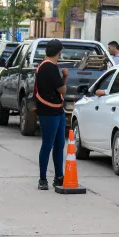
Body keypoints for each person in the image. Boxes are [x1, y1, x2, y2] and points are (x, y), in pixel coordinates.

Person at [34, 39, 68, 191]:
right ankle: (43, 178)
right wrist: (65, 78)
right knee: (48, 145)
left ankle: (59, 177)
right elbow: (62, 89)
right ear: (59, 53)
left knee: (59, 144)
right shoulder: (49, 67)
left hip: (58, 110)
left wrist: (63, 78)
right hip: (48, 111)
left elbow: (58, 87)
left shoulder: (47, 65)